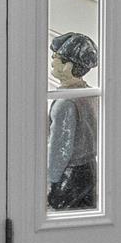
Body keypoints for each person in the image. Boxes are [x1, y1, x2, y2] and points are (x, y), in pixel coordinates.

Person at [46, 30, 99, 214]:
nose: (52, 61)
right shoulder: (91, 93)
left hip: (69, 176)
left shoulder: (65, 104)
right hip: (91, 170)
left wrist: (50, 183)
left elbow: (59, 150)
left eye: (56, 57)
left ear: (67, 66)